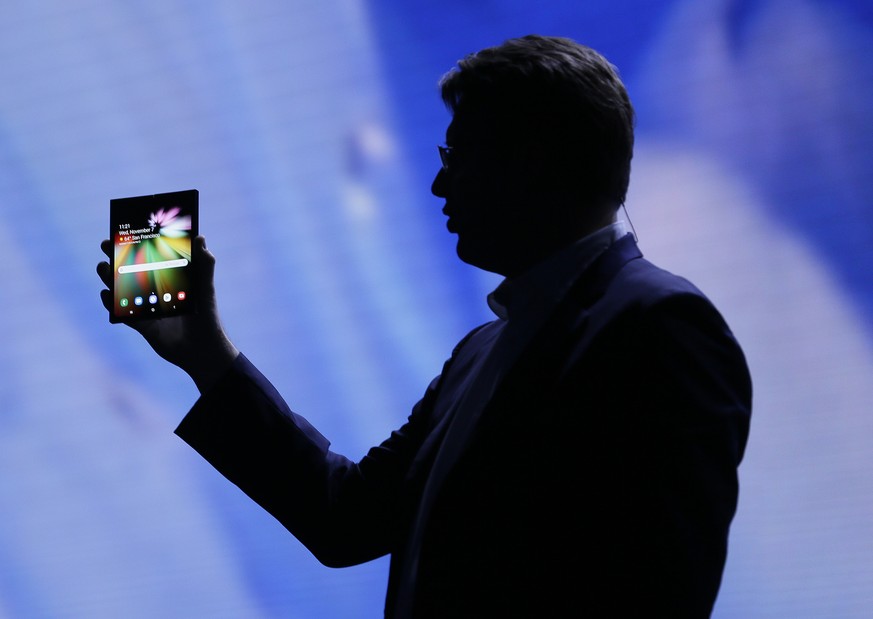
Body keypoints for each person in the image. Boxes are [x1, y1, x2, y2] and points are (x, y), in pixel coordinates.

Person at [98, 35, 751, 618]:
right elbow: (345, 519)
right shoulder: (482, 349)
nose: (439, 183)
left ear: (536, 163)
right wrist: (203, 351)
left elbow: (659, 593)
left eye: (459, 155)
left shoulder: (661, 326)